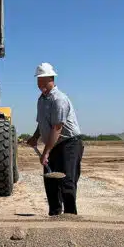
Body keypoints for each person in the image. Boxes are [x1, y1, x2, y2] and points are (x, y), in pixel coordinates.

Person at [26, 62, 84, 216]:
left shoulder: (59, 99)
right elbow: (42, 123)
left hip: (69, 144)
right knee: (50, 182)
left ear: (52, 79)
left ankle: (71, 217)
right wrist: (35, 136)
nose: (40, 84)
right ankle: (55, 216)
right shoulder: (42, 100)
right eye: (38, 80)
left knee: (67, 182)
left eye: (44, 80)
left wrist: (46, 152)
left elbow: (57, 128)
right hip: (53, 144)